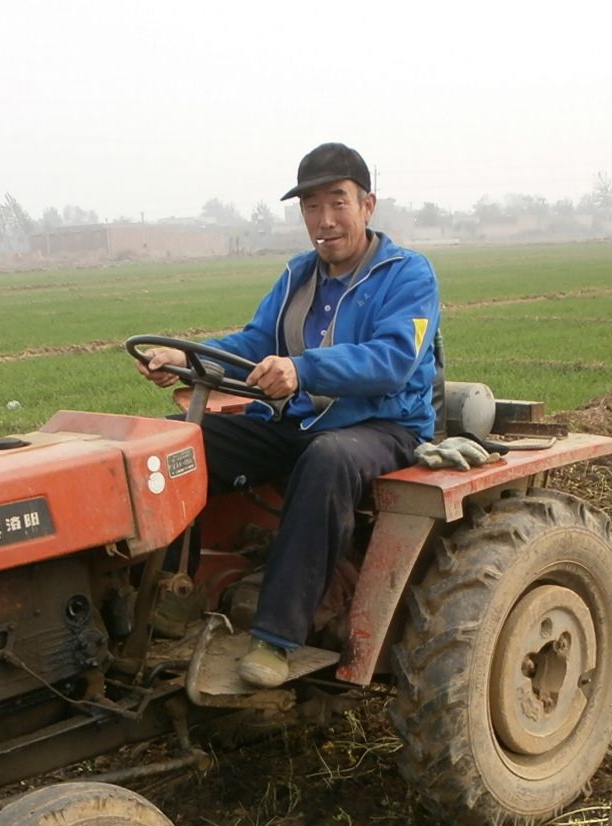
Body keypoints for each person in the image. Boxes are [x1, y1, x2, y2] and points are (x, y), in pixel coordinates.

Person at [137, 142, 442, 688]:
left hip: (384, 425)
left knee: (328, 459)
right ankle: (166, 595)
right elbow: (256, 340)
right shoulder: (299, 276)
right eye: (310, 207)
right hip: (301, 420)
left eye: (337, 203)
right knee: (179, 444)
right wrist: (188, 356)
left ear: (368, 204)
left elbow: (394, 360)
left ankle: (276, 638)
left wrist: (304, 370)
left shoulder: (408, 275)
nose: (324, 221)